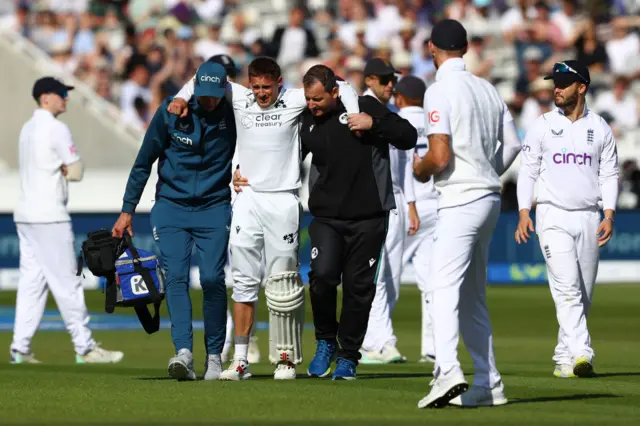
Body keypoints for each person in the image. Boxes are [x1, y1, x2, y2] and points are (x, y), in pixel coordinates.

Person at [167, 57, 360, 380]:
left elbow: (343, 86)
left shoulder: (295, 98)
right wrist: (180, 97)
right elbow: (202, 75)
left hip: (283, 199)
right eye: (255, 86)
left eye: (266, 87)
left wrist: (353, 114)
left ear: (279, 83)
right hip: (247, 199)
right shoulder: (239, 96)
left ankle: (285, 358)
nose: (260, 94)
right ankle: (240, 360)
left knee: (283, 282)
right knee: (243, 281)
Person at [412, 19, 521, 408]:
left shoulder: (439, 90)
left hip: (460, 199)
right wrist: (486, 170)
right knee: (473, 297)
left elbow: (438, 158)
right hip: (489, 198)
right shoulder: (487, 88)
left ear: (432, 48)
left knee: (442, 290)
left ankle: (447, 371)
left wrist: (419, 167)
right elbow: (513, 145)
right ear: (466, 48)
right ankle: (489, 384)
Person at [112, 62, 236, 381]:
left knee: (211, 279)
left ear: (225, 90)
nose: (209, 102)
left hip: (214, 206)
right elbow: (143, 163)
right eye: (203, 95)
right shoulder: (171, 111)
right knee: (176, 277)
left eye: (215, 96)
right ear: (194, 88)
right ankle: (183, 352)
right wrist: (127, 210)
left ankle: (214, 357)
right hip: (170, 206)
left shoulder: (236, 111)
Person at [300, 64, 417, 380]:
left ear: (335, 92)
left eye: (318, 99)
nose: (312, 105)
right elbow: (284, 157)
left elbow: (408, 136)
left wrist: (374, 123)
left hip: (369, 217)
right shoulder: (306, 118)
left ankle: (349, 356)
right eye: (308, 99)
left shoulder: (365, 107)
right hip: (326, 217)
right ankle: (326, 341)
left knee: (358, 290)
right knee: (322, 277)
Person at [515, 60, 619, 379]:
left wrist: (609, 213)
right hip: (552, 216)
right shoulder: (543, 124)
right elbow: (527, 171)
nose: (556, 88)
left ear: (582, 87)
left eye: (563, 83)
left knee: (582, 295)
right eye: (554, 83)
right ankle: (582, 353)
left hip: (589, 216)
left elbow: (610, 173)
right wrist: (523, 211)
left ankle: (563, 357)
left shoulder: (599, 128)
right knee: (568, 289)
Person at [11, 77, 123, 365]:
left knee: (32, 283)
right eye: (61, 94)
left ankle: (20, 348)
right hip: (50, 215)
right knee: (68, 283)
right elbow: (75, 171)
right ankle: (85, 347)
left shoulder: (26, 128)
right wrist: (65, 169)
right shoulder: (56, 128)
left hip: (25, 215)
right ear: (45, 97)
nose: (66, 98)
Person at [359, 58, 409, 364]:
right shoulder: (362, 107)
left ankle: (376, 338)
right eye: (386, 79)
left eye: (393, 80)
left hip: (396, 199)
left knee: (391, 275)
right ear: (370, 79)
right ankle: (378, 342)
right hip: (374, 201)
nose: (391, 85)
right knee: (375, 273)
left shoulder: (389, 114)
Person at [394, 76, 438, 364]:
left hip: (406, 204)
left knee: (385, 277)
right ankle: (433, 348)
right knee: (433, 282)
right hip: (435, 205)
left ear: (399, 98)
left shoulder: (395, 120)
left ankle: (379, 342)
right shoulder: (435, 120)